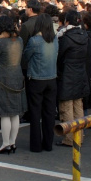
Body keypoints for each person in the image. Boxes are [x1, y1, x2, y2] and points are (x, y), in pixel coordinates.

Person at [0, 15, 26, 154]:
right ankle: (12, 142)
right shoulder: (19, 40)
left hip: (2, 78)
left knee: (4, 113)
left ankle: (5, 143)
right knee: (15, 113)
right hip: (17, 75)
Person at [23, 13, 58, 153]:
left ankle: (36, 145)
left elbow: (25, 56)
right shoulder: (55, 39)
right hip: (52, 78)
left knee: (35, 113)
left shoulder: (34, 40)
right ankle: (48, 143)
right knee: (49, 113)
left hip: (36, 79)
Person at [56, 10, 89, 147]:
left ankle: (69, 138)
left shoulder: (65, 38)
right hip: (81, 72)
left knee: (66, 107)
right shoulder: (85, 36)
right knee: (78, 106)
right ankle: (79, 136)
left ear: (66, 22)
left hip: (67, 74)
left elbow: (60, 57)